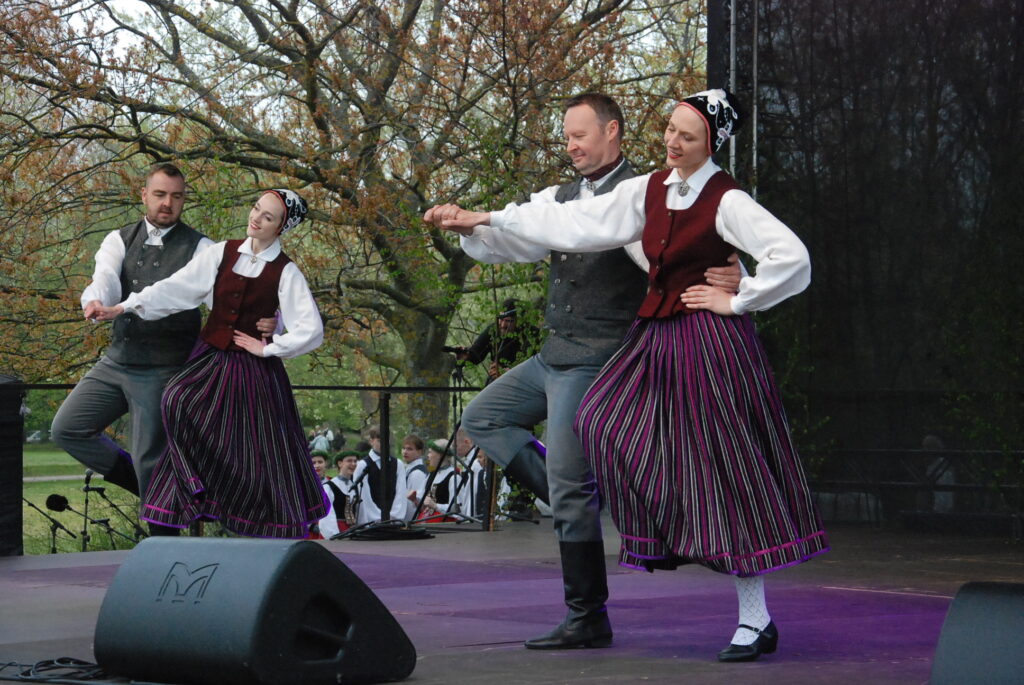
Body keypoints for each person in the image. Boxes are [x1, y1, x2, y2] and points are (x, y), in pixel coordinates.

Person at [426, 89, 829, 661]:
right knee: (594, 423)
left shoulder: (726, 198)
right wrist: (484, 218)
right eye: (670, 129)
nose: (672, 141)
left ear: (711, 143)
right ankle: (601, 499)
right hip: (653, 341)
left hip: (706, 345)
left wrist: (740, 295)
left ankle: (754, 618)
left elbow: (792, 258)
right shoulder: (648, 190)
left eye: (687, 136)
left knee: (720, 470)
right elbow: (577, 220)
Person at [49, 163, 274, 534]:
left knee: (149, 457)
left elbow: (230, 300)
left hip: (165, 368)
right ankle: (161, 495)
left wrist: (267, 322)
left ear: (184, 200)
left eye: (176, 196)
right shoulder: (119, 239)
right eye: (160, 194)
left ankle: (165, 543)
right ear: (144, 195)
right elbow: (105, 278)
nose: (167, 203)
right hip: (116, 361)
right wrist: (95, 301)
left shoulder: (202, 248)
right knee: (67, 428)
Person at [92, 188, 328, 538]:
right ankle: (192, 488)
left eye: (267, 217)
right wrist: (124, 307)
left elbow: (310, 329)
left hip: (252, 370)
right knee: (176, 399)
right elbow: (175, 288)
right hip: (210, 358)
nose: (256, 218)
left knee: (254, 449)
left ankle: (260, 523)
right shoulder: (222, 252)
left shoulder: (285, 271)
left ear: (280, 227)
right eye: (256, 209)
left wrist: (270, 347)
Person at [453, 298, 540, 382]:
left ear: (519, 321)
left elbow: (533, 367)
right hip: (496, 382)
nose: (503, 325)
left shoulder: (532, 335)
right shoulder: (493, 330)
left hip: (524, 383)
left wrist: (507, 373)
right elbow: (476, 353)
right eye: (501, 319)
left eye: (508, 321)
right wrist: (465, 356)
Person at [351, 425, 409, 525]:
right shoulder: (363, 465)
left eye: (386, 440)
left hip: (393, 520)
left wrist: (394, 515)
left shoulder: (398, 464)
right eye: (379, 441)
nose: (384, 444)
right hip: (371, 522)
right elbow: (364, 496)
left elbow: (401, 492)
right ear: (371, 441)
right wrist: (378, 517)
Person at [309, 451, 341, 539]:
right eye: (313, 463)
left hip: (333, 527)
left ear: (325, 463)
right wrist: (310, 526)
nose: (317, 465)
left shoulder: (334, 483)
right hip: (312, 532)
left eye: (320, 462)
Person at [401, 435, 429, 520]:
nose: (405, 452)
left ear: (419, 452)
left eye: (409, 449)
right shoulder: (409, 469)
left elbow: (413, 504)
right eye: (404, 448)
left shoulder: (417, 473)